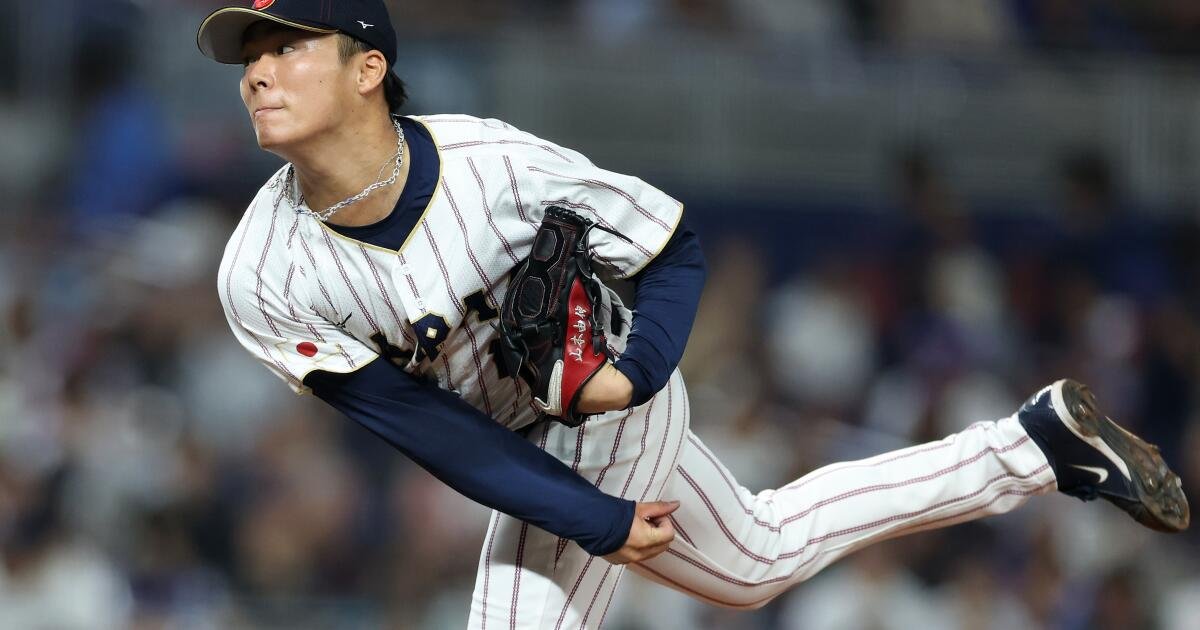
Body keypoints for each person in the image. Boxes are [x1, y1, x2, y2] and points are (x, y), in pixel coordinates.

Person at [197, 1, 1190, 627]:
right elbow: (425, 429)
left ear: (368, 67)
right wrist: (594, 520)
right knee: (756, 561)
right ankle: (1034, 446)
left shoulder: (496, 167)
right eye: (249, 55)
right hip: (516, 445)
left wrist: (635, 377)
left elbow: (673, 245)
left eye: (288, 46)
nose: (258, 71)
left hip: (605, 408)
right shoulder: (261, 273)